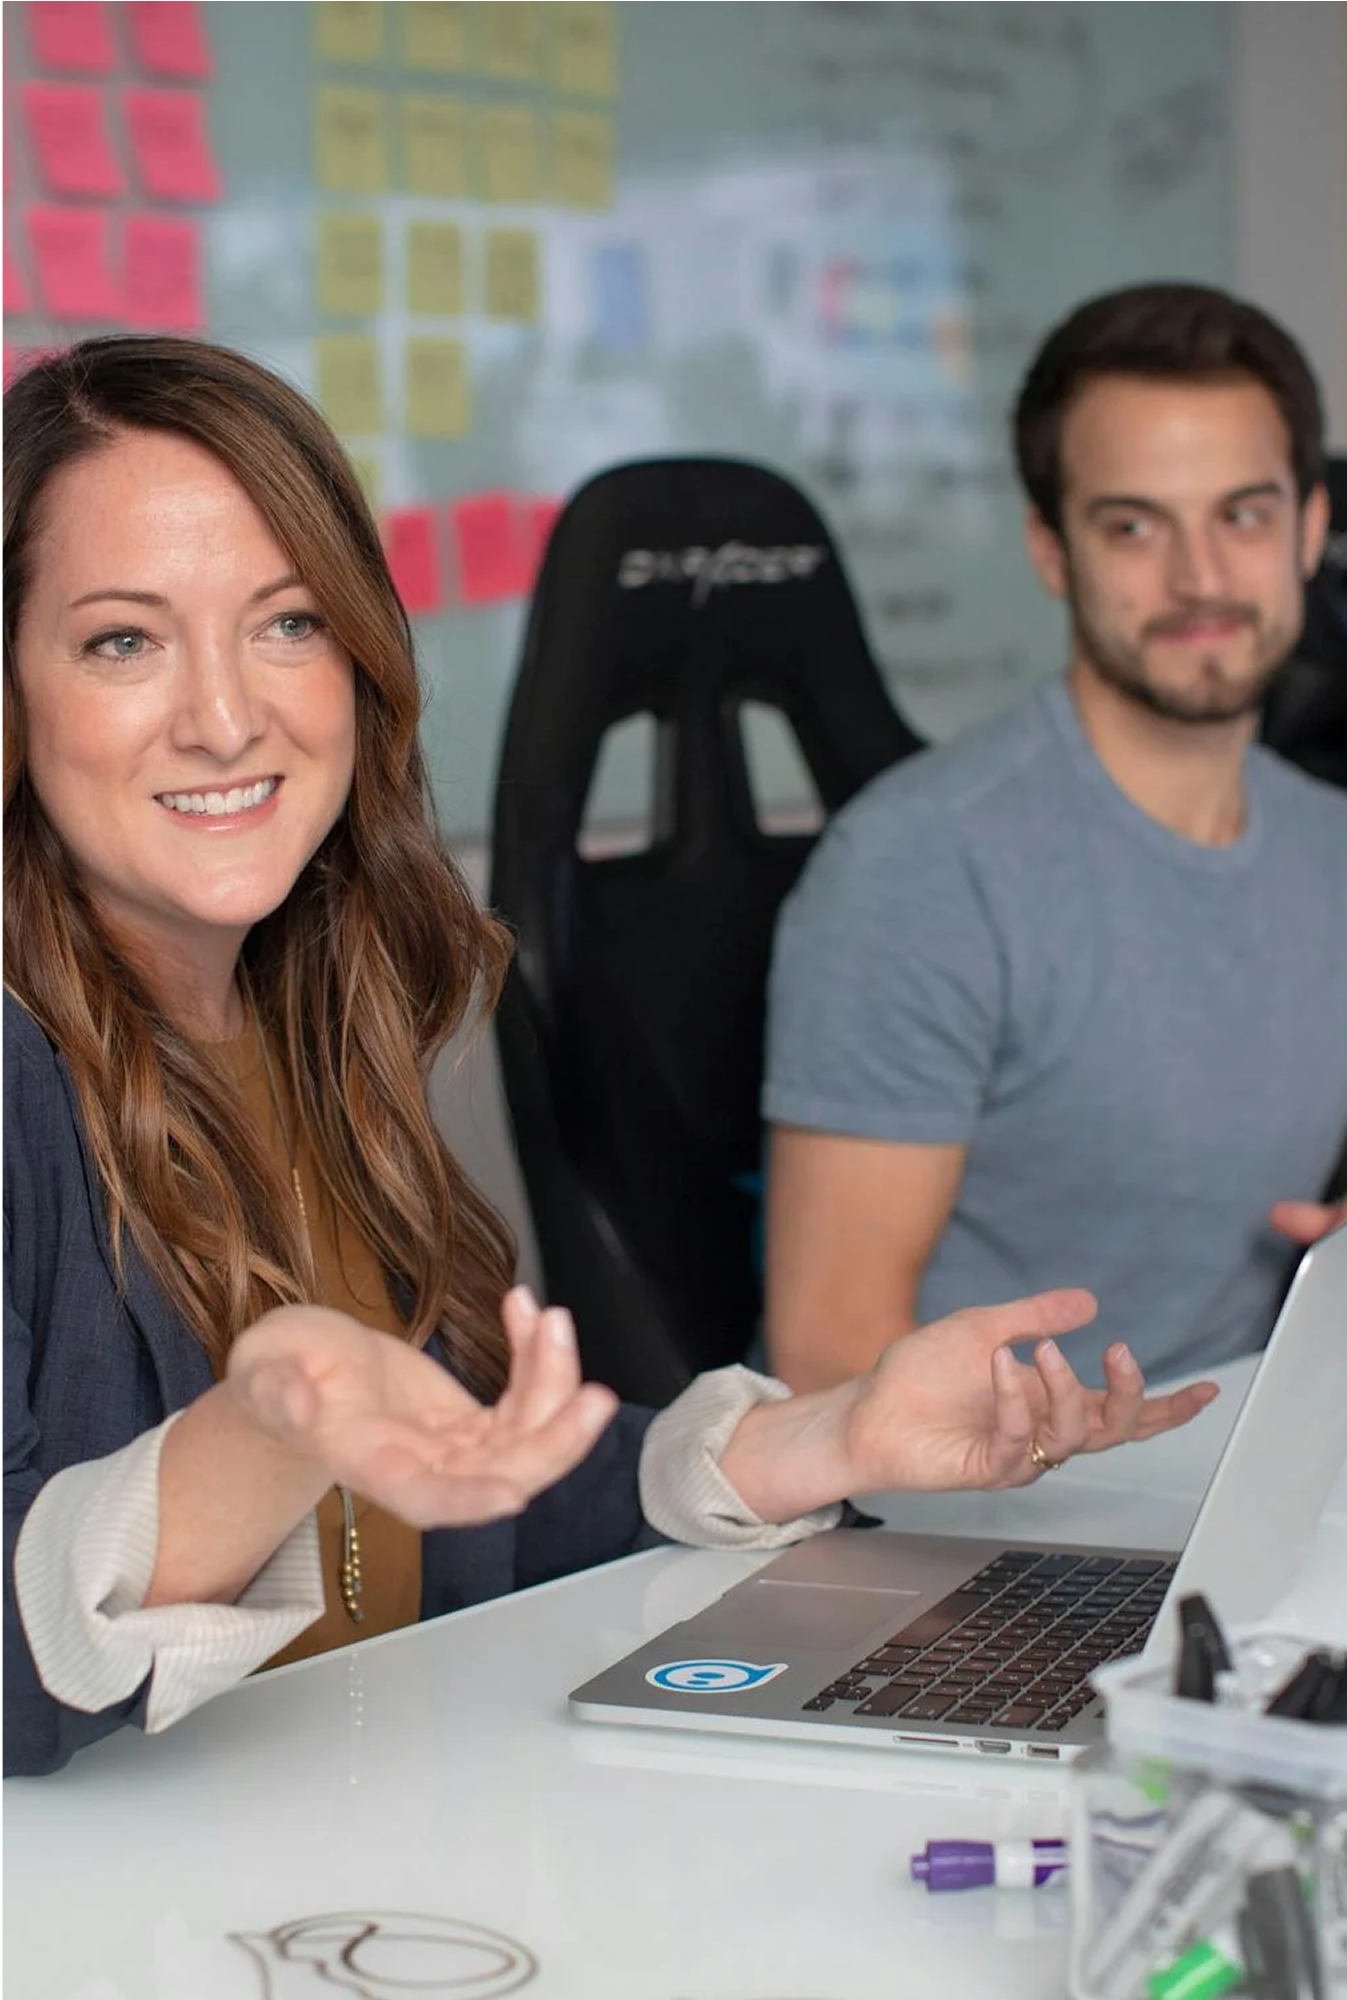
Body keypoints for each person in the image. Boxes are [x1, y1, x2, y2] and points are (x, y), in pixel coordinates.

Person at [1, 337, 1217, 1782]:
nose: (223, 715)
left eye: (285, 623)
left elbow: (476, 1503)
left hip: (346, 1836)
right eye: (122, 640)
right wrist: (265, 1429)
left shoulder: (309, 1028)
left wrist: (817, 1441)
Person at [763, 283, 1347, 1395]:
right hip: (996, 1518)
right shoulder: (919, 866)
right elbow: (826, 1358)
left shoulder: (1332, 847)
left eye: (1243, 514)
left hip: (1242, 1480)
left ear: (1309, 529)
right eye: (1134, 525)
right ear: (1050, 549)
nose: (1201, 578)